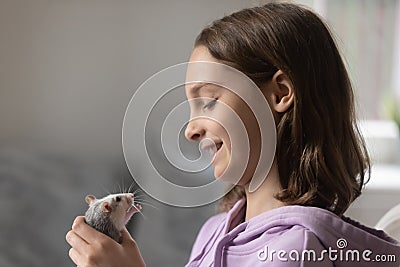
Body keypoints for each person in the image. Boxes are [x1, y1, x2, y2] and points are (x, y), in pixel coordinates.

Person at [66, 3, 400, 266]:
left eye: (209, 101)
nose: (190, 130)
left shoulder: (293, 251)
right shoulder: (214, 231)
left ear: (280, 93)